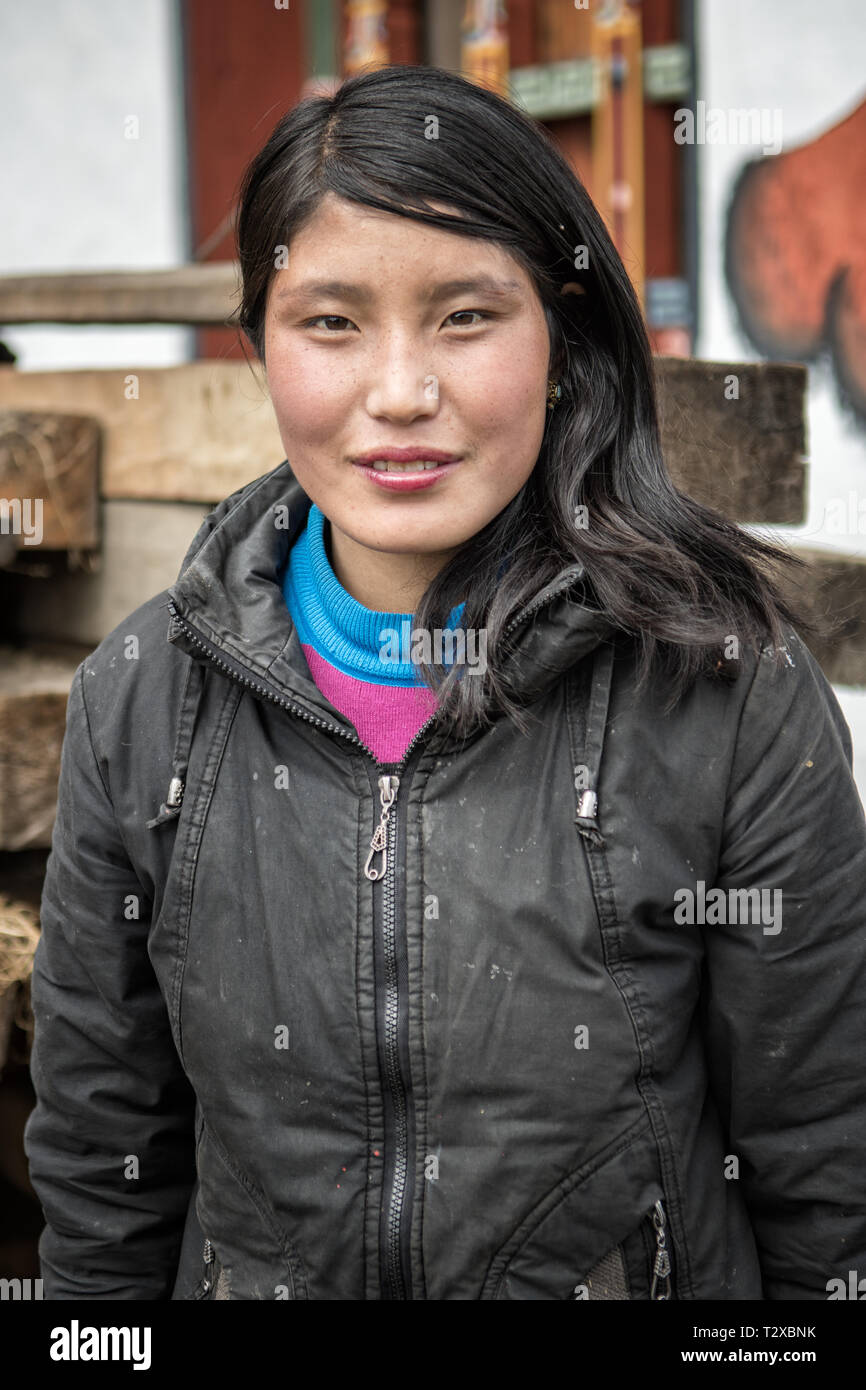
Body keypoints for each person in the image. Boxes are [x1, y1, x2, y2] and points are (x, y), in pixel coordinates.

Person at [23, 63, 866, 1301]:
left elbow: (820, 1166)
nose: (400, 393)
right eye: (330, 322)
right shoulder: (140, 701)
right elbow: (106, 1176)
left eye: (466, 316)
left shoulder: (723, 688)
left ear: (563, 342)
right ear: (260, 346)